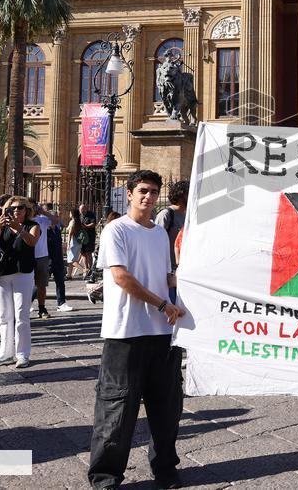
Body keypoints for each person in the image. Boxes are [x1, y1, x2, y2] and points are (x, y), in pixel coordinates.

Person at [88, 170, 185, 490]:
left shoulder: (159, 234)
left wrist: (197, 281)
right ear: (129, 193)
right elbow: (121, 278)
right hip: (125, 332)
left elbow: (167, 277)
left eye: (154, 191)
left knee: (166, 408)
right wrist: (162, 304)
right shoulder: (116, 230)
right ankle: (105, 477)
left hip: (162, 333)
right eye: (143, 190)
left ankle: (166, 469)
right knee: (117, 409)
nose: (149, 196)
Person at [0, 197, 40, 368]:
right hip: (3, 273)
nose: (16, 211)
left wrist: (19, 229)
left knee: (21, 314)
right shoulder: (3, 226)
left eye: (20, 208)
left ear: (26, 210)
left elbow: (32, 242)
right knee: (4, 315)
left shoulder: (32, 226)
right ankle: (5, 353)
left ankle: (22, 354)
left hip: (23, 273)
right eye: (12, 208)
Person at [155, 180, 188, 303]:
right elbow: (156, 242)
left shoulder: (187, 216)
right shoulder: (166, 214)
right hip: (168, 273)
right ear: (181, 194)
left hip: (182, 270)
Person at [43, 203, 72, 312]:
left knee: (60, 282)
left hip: (58, 260)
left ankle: (61, 303)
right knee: (41, 284)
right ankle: (29, 301)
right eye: (56, 217)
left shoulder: (57, 230)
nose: (58, 218)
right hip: (48, 260)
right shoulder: (45, 231)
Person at [30, 201, 56, 319]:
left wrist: (44, 212)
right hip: (27, 256)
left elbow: (56, 221)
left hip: (42, 256)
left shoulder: (42, 220)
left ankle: (42, 308)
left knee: (41, 284)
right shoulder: (23, 220)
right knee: (25, 284)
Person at [79, 204, 97, 279]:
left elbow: (93, 224)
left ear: (85, 209)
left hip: (90, 237)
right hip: (82, 237)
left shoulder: (91, 215)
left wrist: (85, 226)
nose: (82, 211)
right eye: (80, 210)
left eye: (83, 210)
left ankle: (90, 268)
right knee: (83, 253)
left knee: (88, 253)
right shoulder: (80, 216)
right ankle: (86, 269)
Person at [66, 208, 84, 279]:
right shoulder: (79, 221)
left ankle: (84, 270)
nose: (69, 214)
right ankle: (69, 275)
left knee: (72, 260)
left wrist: (68, 244)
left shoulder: (72, 222)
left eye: (70, 213)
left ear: (72, 214)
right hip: (78, 242)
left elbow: (70, 233)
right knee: (71, 259)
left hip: (73, 242)